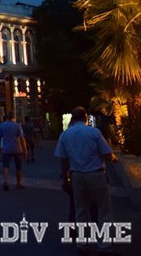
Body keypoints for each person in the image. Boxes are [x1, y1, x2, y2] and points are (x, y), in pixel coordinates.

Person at [54, 107, 117, 254]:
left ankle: (82, 244)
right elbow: (107, 153)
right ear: (86, 117)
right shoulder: (94, 132)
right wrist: (114, 158)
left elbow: (63, 160)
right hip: (96, 174)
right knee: (103, 210)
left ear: (73, 119)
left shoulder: (65, 135)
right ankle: (104, 245)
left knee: (81, 210)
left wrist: (65, 179)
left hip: (77, 175)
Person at [0, 111, 27, 191]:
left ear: (6, 117)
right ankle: (18, 183)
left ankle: (6, 181)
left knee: (5, 166)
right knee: (18, 167)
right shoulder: (17, 125)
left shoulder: (2, 125)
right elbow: (22, 138)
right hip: (17, 148)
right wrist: (25, 150)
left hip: (6, 148)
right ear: (13, 117)